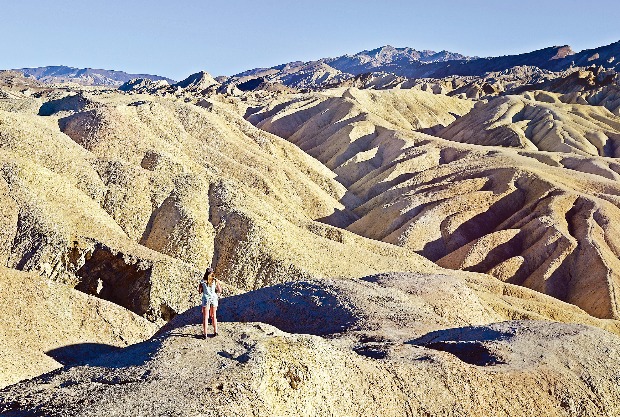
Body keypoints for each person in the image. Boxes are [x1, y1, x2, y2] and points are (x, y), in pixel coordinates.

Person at [198, 267, 222, 338]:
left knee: (205, 317)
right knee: (214, 316)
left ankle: (205, 334)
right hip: (214, 298)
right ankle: (215, 331)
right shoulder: (215, 281)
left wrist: (204, 290)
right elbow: (220, 290)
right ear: (212, 273)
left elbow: (199, 291)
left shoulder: (202, 281)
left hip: (206, 299)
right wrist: (214, 291)